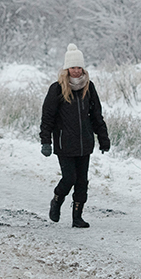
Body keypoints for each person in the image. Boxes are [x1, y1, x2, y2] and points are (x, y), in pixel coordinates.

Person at [39, 43, 111, 228]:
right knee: (69, 178)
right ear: (67, 69)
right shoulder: (57, 89)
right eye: (73, 67)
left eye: (79, 67)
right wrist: (45, 141)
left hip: (84, 143)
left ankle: (77, 216)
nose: (76, 71)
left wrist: (103, 138)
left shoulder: (89, 87)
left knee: (82, 181)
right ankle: (57, 199)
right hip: (65, 143)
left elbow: (96, 115)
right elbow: (47, 117)